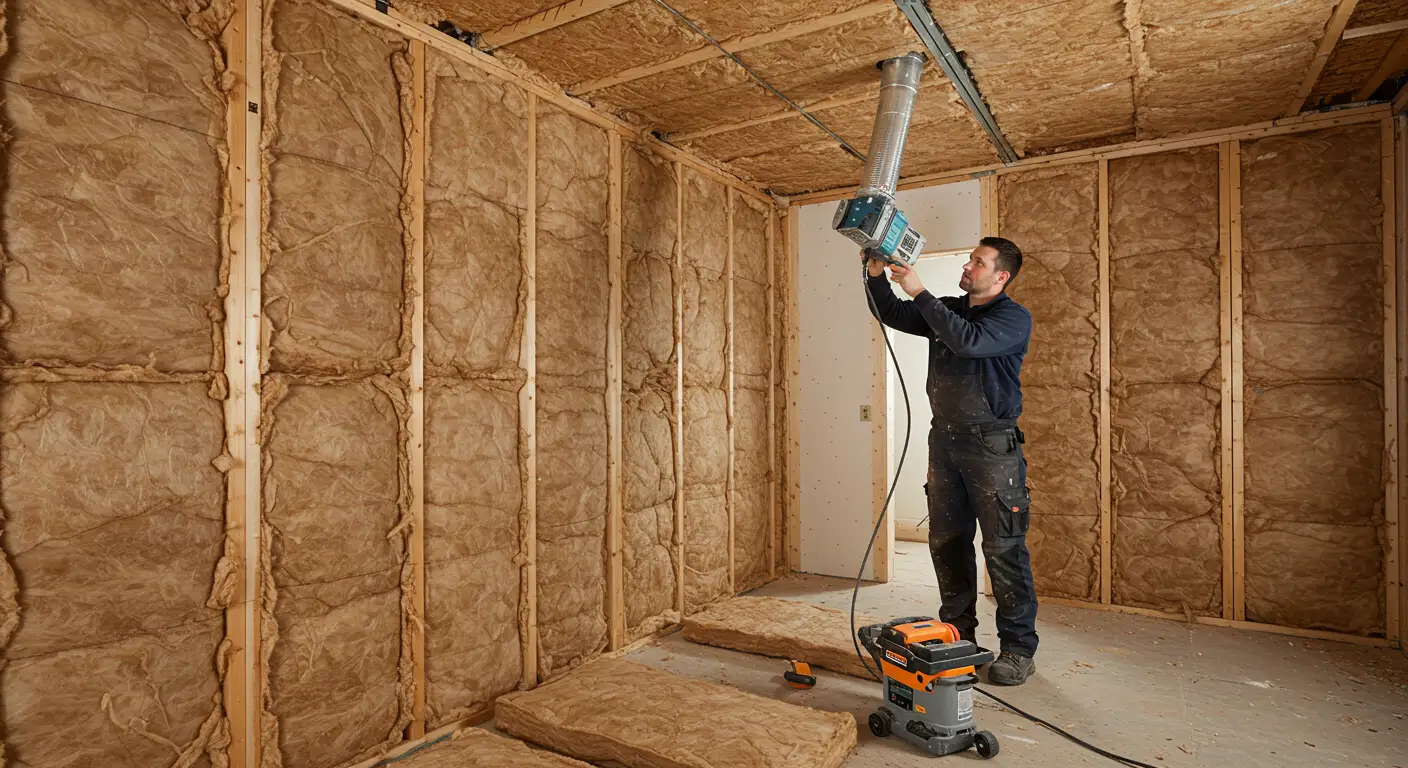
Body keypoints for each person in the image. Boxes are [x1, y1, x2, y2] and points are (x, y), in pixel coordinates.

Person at [864, 236, 1038, 686]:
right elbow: (891, 313)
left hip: (992, 448)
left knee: (1003, 549)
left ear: (1000, 276)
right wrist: (877, 273)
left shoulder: (1011, 318)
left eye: (977, 262)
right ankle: (958, 635)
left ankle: (1018, 649)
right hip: (944, 442)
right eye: (969, 259)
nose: (968, 266)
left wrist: (918, 290)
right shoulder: (948, 307)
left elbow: (967, 343)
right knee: (947, 542)